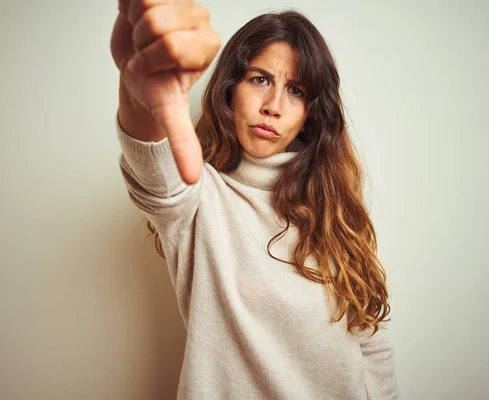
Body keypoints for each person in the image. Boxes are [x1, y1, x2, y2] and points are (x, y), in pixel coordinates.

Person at [110, 1, 399, 398]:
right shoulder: (199, 200)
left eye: (295, 91)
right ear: (230, 90)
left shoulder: (333, 210)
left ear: (311, 114)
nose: (273, 107)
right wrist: (137, 84)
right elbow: (152, 160)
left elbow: (369, 342)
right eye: (260, 79)